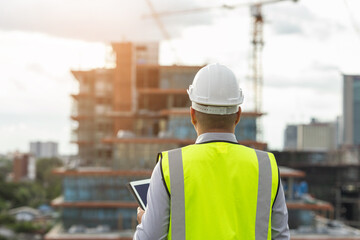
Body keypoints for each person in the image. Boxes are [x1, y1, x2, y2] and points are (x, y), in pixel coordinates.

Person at [133, 63, 289, 240]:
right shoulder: (266, 167)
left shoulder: (170, 166)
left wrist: (145, 221)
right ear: (238, 115)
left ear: (192, 115)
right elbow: (281, 236)